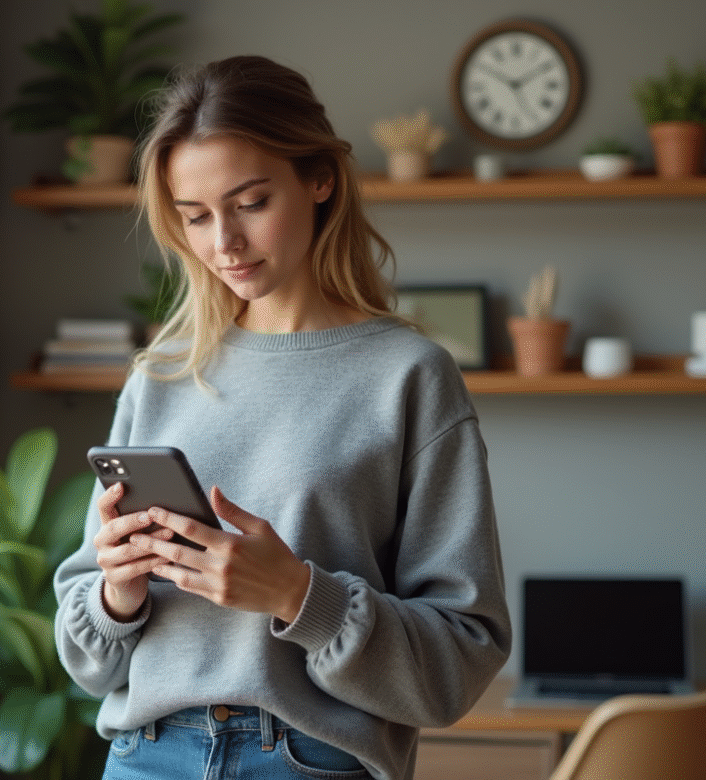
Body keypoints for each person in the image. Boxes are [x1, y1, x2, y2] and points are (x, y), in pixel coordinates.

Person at [54, 55, 510, 780]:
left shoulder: (409, 376)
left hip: (308, 760)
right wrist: (118, 593)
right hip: (146, 756)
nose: (223, 244)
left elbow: (459, 660)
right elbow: (87, 661)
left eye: (251, 203)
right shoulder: (161, 375)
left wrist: (299, 596)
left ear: (319, 178)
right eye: (195, 216)